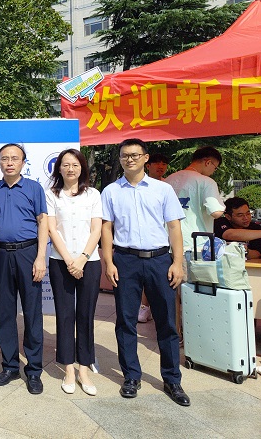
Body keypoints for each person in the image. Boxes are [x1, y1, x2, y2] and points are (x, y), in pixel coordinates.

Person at [102, 138, 189, 406]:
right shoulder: (111, 191)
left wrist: (177, 262)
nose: (129, 159)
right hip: (125, 260)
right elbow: (106, 228)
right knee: (126, 320)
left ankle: (172, 379)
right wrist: (109, 261)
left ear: (145, 158)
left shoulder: (163, 190)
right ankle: (131, 376)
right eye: (125, 155)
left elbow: (174, 227)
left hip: (159, 260)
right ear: (120, 159)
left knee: (166, 321)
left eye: (135, 155)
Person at [0, 143, 48, 395]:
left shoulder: (34, 188)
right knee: (6, 312)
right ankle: (10, 366)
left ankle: (33, 370)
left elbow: (42, 222)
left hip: (28, 253)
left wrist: (41, 257)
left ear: (23, 162)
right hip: (0, 254)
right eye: (5, 158)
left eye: (14, 158)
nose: (9, 162)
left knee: (32, 313)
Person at [45, 149, 102, 396]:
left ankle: (84, 369)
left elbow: (96, 229)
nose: (70, 169)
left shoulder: (93, 194)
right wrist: (70, 261)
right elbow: (52, 229)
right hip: (61, 262)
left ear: (82, 168)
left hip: (90, 261)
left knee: (86, 315)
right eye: (66, 164)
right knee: (65, 315)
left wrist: (82, 259)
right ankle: (68, 368)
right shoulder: (51, 194)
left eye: (75, 165)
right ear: (59, 168)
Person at [165, 146, 224, 253]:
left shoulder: (168, 179)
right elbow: (216, 212)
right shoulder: (206, 182)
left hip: (168, 243)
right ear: (208, 162)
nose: (213, 172)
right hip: (196, 245)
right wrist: (223, 206)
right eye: (215, 168)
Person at [139, 153, 171, 323]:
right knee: (146, 279)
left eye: (164, 163)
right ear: (148, 165)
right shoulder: (138, 186)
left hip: (165, 240)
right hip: (144, 241)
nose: (161, 166)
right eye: (157, 163)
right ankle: (144, 307)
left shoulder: (168, 186)